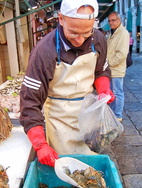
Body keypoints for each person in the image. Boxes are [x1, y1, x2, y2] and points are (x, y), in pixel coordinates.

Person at [20, 0, 115, 167]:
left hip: (88, 114)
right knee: (66, 168)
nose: (79, 40)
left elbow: (101, 71)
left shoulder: (98, 39)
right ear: (61, 18)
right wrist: (40, 145)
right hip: (59, 119)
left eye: (86, 33)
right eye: (73, 33)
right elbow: (29, 103)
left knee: (89, 166)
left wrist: (104, 89)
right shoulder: (44, 51)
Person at [107, 11, 129, 122]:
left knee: (117, 92)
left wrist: (109, 63)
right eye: (109, 21)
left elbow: (121, 54)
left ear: (119, 20)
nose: (111, 23)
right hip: (111, 69)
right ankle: (114, 114)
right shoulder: (112, 32)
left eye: (113, 20)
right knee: (113, 92)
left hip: (116, 68)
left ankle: (118, 115)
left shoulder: (123, 33)